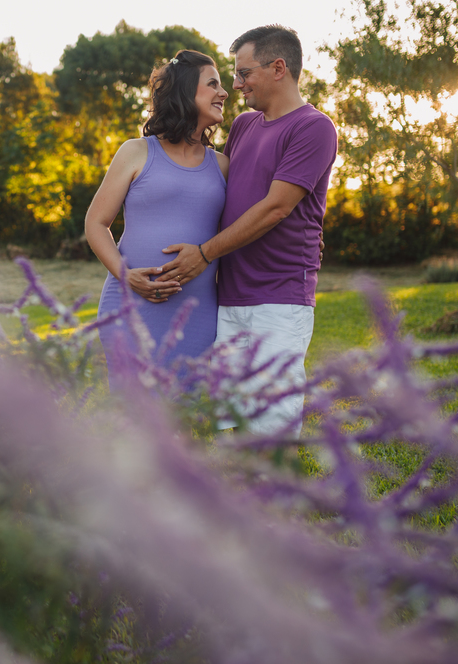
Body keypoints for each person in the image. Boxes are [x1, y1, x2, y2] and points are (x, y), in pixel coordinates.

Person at [155, 25, 337, 436]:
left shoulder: (314, 127)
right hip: (229, 298)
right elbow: (218, 191)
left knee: (270, 428)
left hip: (279, 299)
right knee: (227, 424)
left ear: (278, 68)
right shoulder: (243, 126)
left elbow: (275, 208)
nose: (236, 85)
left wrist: (204, 253)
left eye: (243, 73)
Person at [85, 49, 229, 382]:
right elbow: (96, 223)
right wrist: (126, 275)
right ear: (185, 90)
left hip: (198, 316)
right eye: (213, 84)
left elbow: (244, 228)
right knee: (135, 411)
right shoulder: (136, 151)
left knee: (188, 410)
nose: (224, 93)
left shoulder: (223, 165)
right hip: (129, 308)